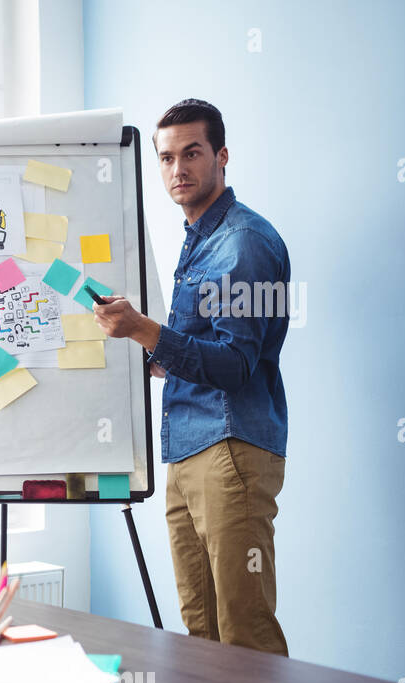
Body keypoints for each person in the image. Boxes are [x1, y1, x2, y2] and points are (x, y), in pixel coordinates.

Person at [90, 99, 290, 655]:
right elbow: (202, 351)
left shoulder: (242, 242)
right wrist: (153, 354)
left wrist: (145, 331)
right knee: (201, 629)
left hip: (229, 448)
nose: (178, 169)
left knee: (243, 628)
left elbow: (235, 364)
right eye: (167, 157)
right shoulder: (200, 236)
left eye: (193, 153)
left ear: (221, 156)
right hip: (187, 450)